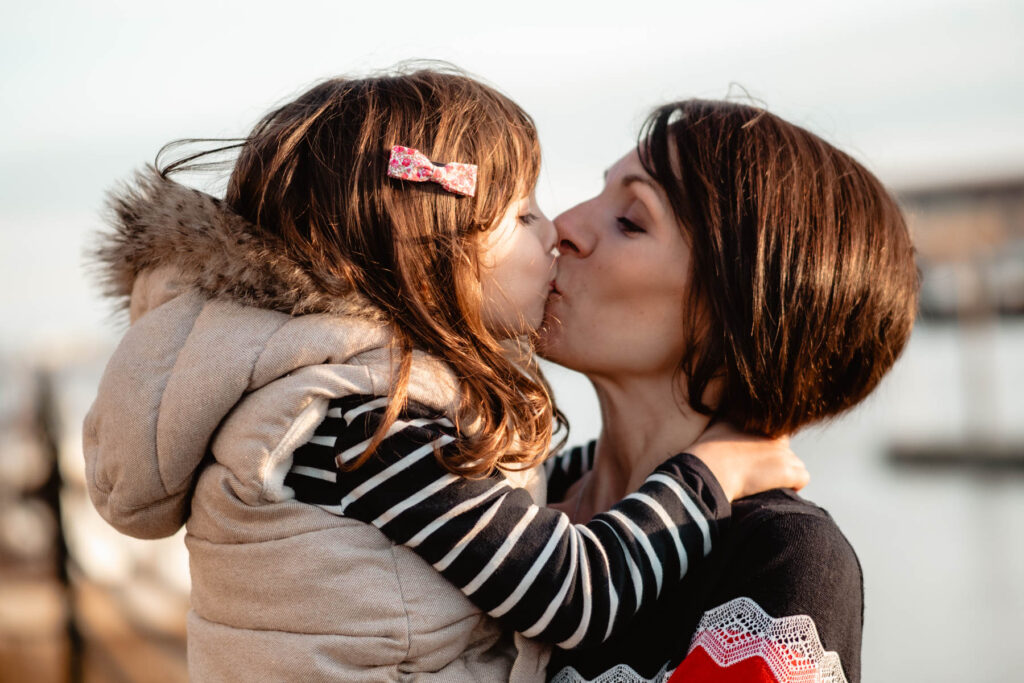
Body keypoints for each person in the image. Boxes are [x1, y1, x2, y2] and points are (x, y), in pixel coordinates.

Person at [82, 68, 804, 681]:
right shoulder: (375, 425)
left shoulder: (322, 399)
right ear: (429, 254)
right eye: (522, 215)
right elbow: (573, 596)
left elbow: (486, 507)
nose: (556, 232)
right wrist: (710, 473)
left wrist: (607, 468)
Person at [306, 99, 918, 682]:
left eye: (630, 220)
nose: (563, 226)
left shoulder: (780, 555)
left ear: (743, 310)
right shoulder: (492, 483)